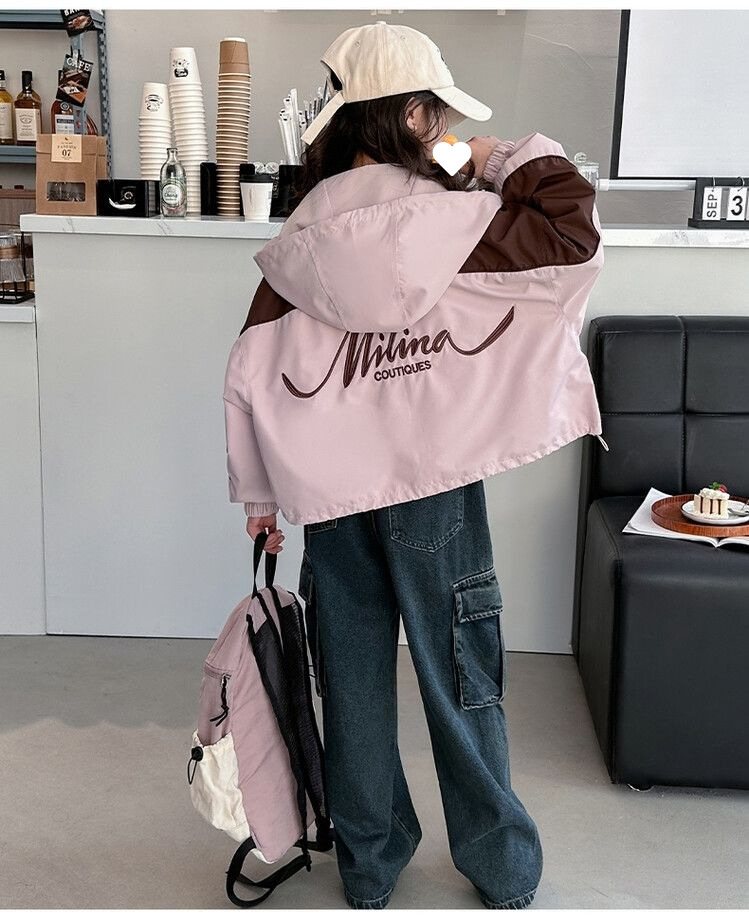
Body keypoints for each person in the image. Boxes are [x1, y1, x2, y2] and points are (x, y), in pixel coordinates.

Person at [223, 21, 604, 909]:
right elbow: (571, 224)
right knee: (461, 672)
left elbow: (248, 370)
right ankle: (500, 866)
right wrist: (489, 155)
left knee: (351, 680)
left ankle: (368, 866)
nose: (446, 128)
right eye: (437, 114)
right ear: (413, 116)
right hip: (435, 484)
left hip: (333, 495)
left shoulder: (298, 245)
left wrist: (258, 493)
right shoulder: (457, 220)